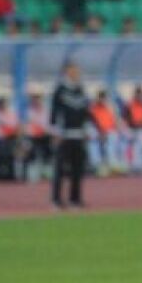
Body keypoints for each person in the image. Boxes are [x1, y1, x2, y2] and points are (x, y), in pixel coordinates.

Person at [50, 62, 90, 208]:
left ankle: (75, 199)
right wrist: (55, 132)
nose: (75, 73)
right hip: (64, 135)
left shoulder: (81, 90)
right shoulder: (60, 90)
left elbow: (86, 113)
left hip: (78, 135)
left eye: (76, 70)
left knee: (77, 169)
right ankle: (56, 200)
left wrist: (86, 130)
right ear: (66, 72)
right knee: (60, 169)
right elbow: (54, 113)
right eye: (72, 70)